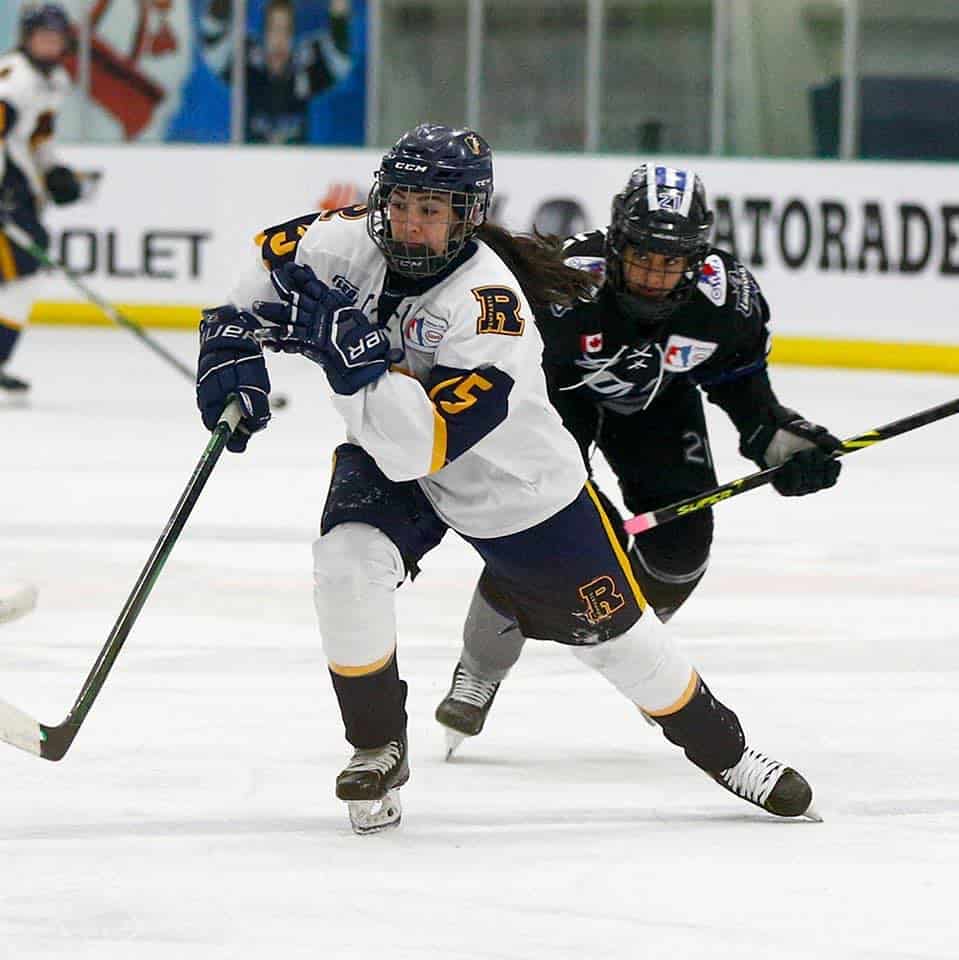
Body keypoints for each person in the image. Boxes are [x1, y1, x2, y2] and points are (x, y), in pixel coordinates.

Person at [195, 126, 819, 834]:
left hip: (509, 481)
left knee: (620, 643)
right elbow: (266, 261)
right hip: (389, 448)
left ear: (466, 216)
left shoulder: (489, 304)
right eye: (400, 201)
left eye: (431, 210)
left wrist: (360, 363)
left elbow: (421, 449)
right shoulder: (344, 241)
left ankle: (728, 753)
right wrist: (228, 348)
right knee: (345, 562)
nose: (409, 222)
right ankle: (376, 745)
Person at [434, 163, 841, 766]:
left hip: (656, 403)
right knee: (546, 532)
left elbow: (749, 395)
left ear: (698, 257)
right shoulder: (564, 282)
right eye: (642, 257)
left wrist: (786, 445)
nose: (654, 276)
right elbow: (503, 372)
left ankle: (632, 641)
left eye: (671, 261)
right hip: (554, 401)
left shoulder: (726, 300)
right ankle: (481, 667)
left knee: (684, 546)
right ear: (616, 241)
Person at [0, 3, 81, 398]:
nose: (50, 44)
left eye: (56, 37)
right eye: (42, 36)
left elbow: (38, 138)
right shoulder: (14, 80)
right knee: (26, 266)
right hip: (7, 190)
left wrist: (53, 171)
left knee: (23, 272)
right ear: (27, 37)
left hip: (17, 192)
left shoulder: (55, 81)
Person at [202, 0, 352, 144]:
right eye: (273, 29)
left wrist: (339, 17)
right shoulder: (247, 67)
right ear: (263, 33)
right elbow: (213, 38)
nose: (279, 39)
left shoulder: (306, 71)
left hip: (299, 167)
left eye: (286, 30)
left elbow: (340, 53)